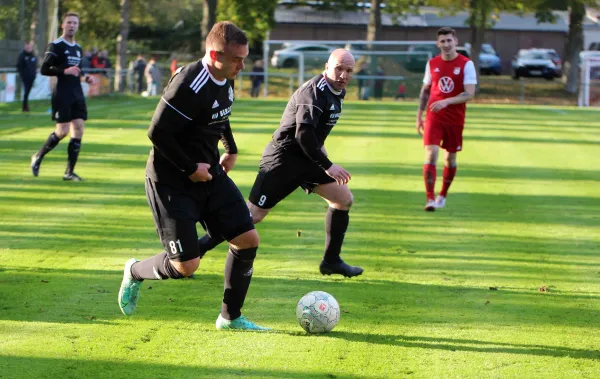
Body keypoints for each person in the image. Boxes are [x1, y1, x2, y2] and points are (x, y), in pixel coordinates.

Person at [117, 21, 270, 331]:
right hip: (171, 181)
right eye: (237, 59)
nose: (243, 65)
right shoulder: (188, 82)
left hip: (209, 173)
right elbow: (157, 132)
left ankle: (230, 318)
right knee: (185, 266)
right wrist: (190, 168)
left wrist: (231, 148)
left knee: (247, 239)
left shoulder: (225, 77)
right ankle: (134, 272)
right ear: (215, 54)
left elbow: (219, 115)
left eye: (245, 58)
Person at [197, 49, 363, 278]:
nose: (343, 75)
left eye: (349, 71)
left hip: (307, 159)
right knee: (251, 217)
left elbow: (316, 136)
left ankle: (331, 261)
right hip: (282, 161)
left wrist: (323, 160)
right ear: (327, 66)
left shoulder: (337, 91)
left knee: (343, 198)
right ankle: (196, 250)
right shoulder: (314, 93)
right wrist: (328, 165)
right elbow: (303, 134)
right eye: (339, 68)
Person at [416, 27, 477, 211]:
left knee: (450, 159)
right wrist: (419, 116)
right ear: (438, 44)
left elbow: (469, 93)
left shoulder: (466, 64)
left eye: (449, 40)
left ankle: (442, 194)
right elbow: (426, 90)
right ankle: (430, 199)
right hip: (434, 116)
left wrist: (447, 102)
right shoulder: (432, 63)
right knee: (431, 154)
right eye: (442, 41)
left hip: (455, 118)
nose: (446, 44)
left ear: (456, 41)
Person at [30, 12, 95, 181]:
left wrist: (85, 78)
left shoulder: (78, 48)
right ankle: (38, 155)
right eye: (69, 22)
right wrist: (64, 71)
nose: (72, 25)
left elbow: (77, 70)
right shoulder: (56, 45)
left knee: (79, 127)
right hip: (62, 93)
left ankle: (69, 172)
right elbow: (44, 69)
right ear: (63, 25)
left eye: (75, 23)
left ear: (78, 26)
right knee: (63, 131)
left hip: (77, 93)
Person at [16, 41, 37, 112]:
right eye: (27, 47)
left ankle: (25, 107)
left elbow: (34, 66)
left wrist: (34, 75)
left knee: (27, 92)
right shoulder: (22, 56)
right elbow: (19, 67)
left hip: (32, 77)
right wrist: (22, 75)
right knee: (26, 92)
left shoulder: (33, 56)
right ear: (25, 46)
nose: (28, 48)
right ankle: (25, 107)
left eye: (30, 47)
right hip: (25, 78)